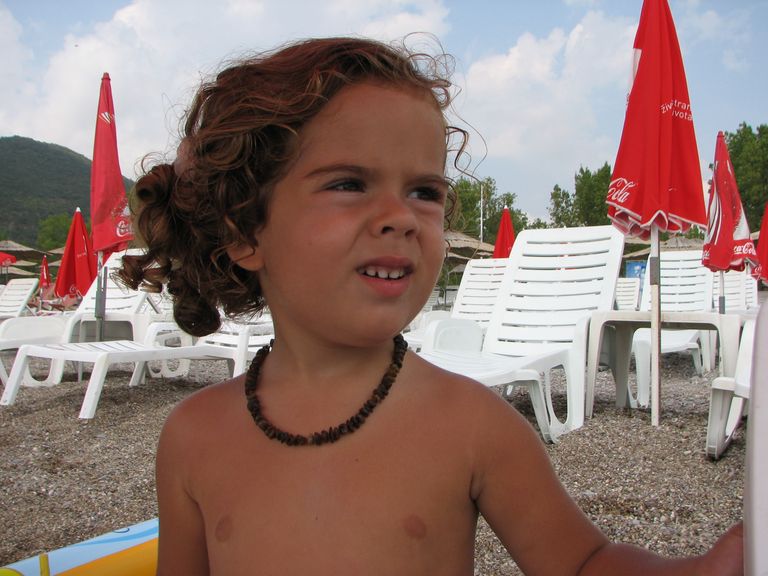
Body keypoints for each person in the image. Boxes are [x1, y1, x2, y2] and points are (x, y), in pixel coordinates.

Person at [118, 36, 743, 576]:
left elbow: (583, 563)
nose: (401, 217)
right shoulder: (194, 437)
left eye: (424, 191)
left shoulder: (473, 425)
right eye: (349, 183)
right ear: (245, 233)